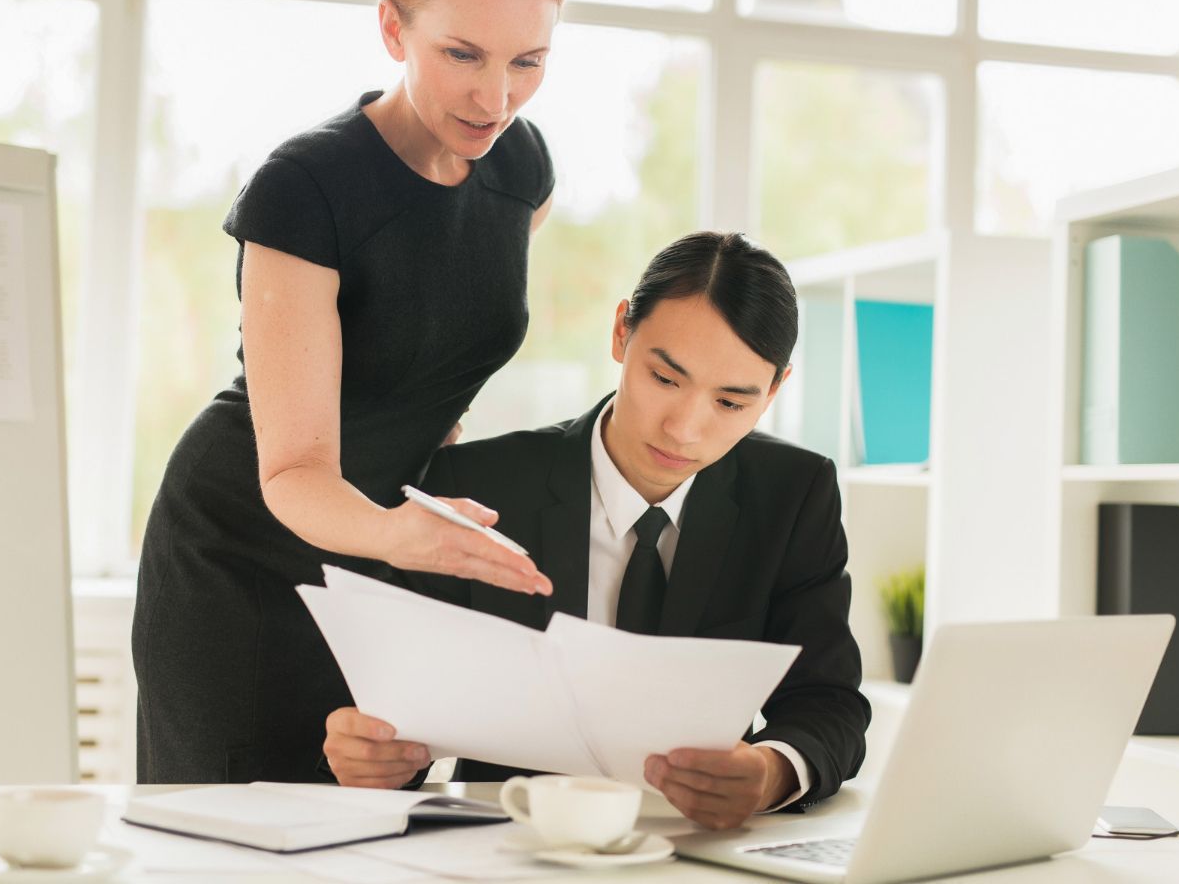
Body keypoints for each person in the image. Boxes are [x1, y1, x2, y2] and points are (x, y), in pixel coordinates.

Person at [132, 0, 567, 784]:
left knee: (372, 829)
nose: (496, 97)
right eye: (462, 55)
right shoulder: (306, 187)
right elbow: (293, 471)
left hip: (380, 556)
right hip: (246, 551)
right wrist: (414, 540)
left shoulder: (521, 168)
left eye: (528, 61)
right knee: (240, 836)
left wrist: (434, 512)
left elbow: (440, 349)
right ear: (392, 29)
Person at [323, 231, 870, 829]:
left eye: (730, 404)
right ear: (620, 333)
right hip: (508, 843)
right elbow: (401, 706)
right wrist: (378, 754)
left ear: (774, 391)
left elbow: (828, 703)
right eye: (665, 379)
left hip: (699, 851)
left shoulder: (793, 494)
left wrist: (770, 772)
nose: (685, 429)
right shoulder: (475, 482)